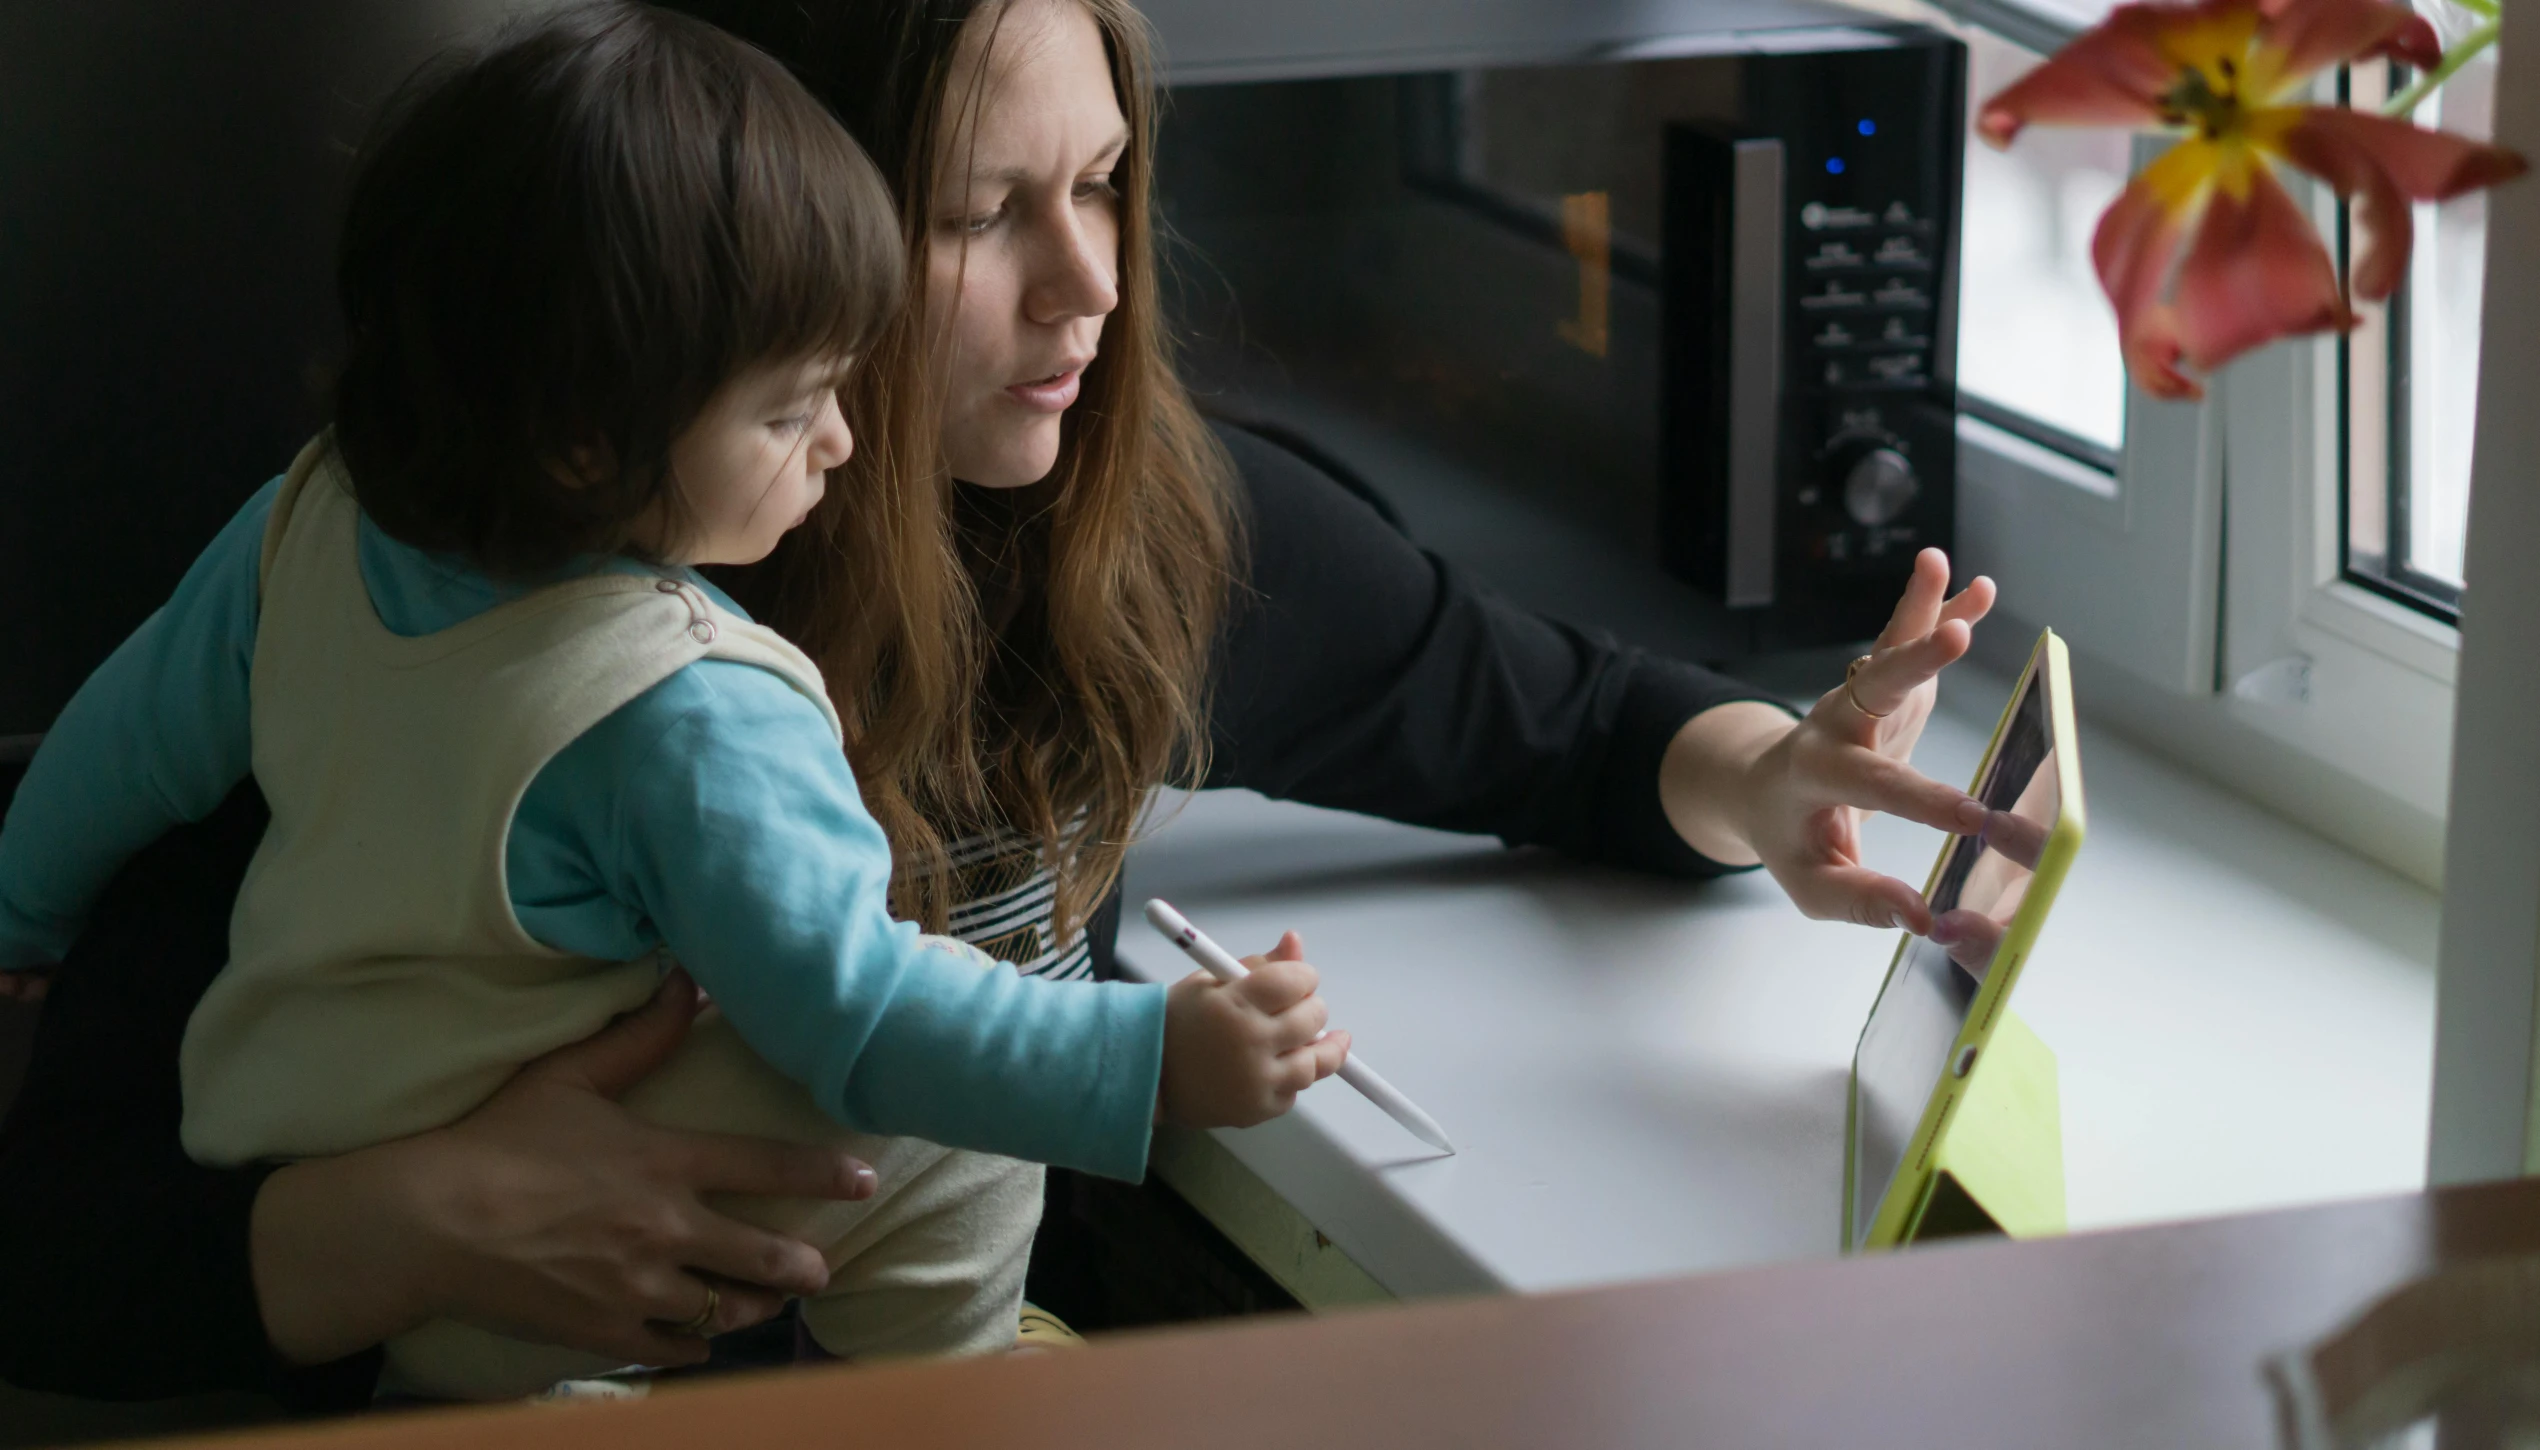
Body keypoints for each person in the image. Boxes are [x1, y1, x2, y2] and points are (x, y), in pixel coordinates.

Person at [0, 0, 1997, 1412]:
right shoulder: (484, 619)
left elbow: (1560, 725)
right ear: (774, 243)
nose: (1092, 286)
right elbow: (57, 1253)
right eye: (980, 214)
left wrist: (1774, 773)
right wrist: (407, 1222)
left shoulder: (1143, 543)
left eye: (1108, 183)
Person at [0, 2, 1349, 1403]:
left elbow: (122, 743)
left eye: (1103, 181)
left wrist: (17, 908)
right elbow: (862, 1011)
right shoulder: (688, 709)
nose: (839, 433)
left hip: (276, 1129)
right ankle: (952, 1400)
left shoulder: (309, 517)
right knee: (961, 1128)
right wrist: (1153, 1058)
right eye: (791, 406)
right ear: (591, 438)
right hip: (491, 1253)